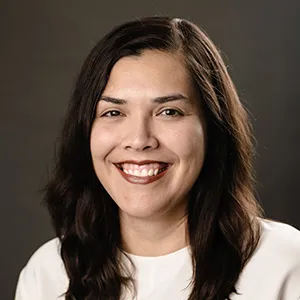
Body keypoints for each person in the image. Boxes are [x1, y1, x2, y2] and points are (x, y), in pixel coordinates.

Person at [15, 16, 300, 300]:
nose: (139, 140)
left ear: (213, 128)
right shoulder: (48, 274)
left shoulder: (284, 265)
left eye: (169, 112)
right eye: (113, 112)